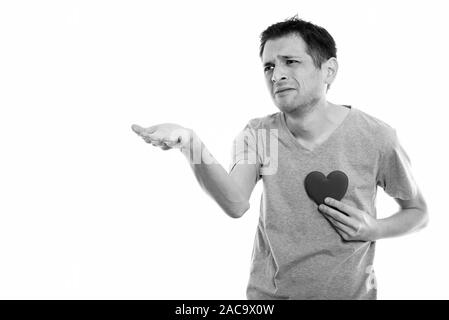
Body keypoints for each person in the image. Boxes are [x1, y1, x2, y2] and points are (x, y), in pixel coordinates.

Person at [131, 16, 428, 300]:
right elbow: (235, 203)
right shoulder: (260, 134)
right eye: (268, 66)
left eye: (291, 62)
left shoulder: (376, 136)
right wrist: (190, 144)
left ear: (329, 70)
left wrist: (374, 228)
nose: (278, 75)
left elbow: (418, 212)